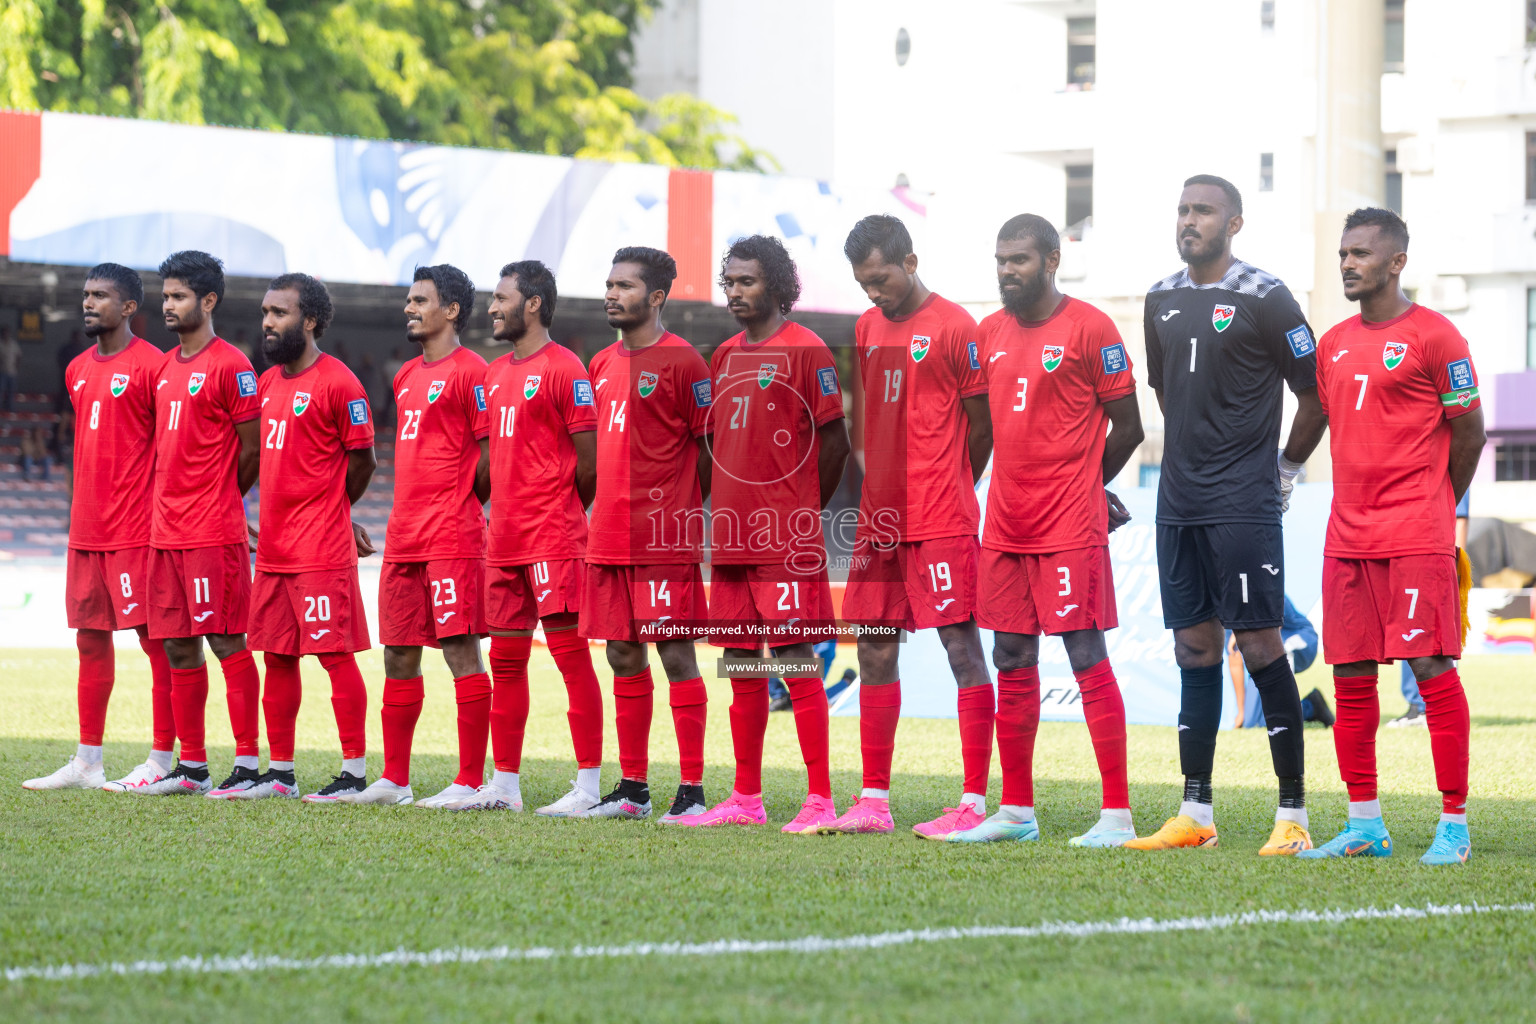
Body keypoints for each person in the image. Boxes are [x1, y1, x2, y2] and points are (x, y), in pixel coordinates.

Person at [1126, 175, 1327, 855]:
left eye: (1203, 211)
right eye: (1182, 209)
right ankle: (1196, 813)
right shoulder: (1159, 297)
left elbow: (1316, 394)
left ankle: (1293, 816)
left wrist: (1285, 470)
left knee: (1261, 643)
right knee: (1194, 649)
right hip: (1177, 500)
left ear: (1234, 223)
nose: (1189, 221)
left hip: (1244, 501)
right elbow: (1162, 388)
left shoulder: (1266, 296)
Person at [948, 214, 1143, 847]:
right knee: (1012, 658)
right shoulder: (988, 333)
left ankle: (1116, 813)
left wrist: (1090, 485)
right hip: (1004, 526)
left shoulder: (1092, 328)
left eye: (1020, 260)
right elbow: (978, 428)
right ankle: (1017, 811)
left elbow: (1130, 428)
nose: (1007, 271)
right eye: (1001, 260)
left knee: (1085, 657)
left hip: (1068, 525)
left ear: (1053, 260)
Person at [1299, 207, 1485, 865]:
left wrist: (1435, 498)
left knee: (1430, 668)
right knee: (1349, 677)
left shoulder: (1437, 337)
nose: (1348, 263)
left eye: (1360, 254)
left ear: (1396, 261)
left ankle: (1454, 825)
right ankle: (1363, 823)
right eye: (1343, 253)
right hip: (1347, 536)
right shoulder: (1334, 342)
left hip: (1416, 533)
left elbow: (1470, 432)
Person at [819, 214, 996, 840]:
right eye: (864, 283)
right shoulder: (867, 327)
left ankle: (973, 801)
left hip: (940, 518)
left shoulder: (955, 326)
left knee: (960, 647)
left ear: (910, 261)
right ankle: (873, 801)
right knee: (873, 645)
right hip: (879, 522)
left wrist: (951, 484)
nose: (874, 292)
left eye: (882, 278)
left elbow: (983, 426)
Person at [686, 235, 850, 832]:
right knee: (739, 661)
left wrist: (800, 513)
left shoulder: (807, 350)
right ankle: (746, 798)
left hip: (783, 541)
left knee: (795, 660)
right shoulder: (724, 355)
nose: (734, 292)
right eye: (728, 282)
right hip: (729, 539)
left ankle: (820, 798)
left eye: (746, 281)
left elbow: (836, 444)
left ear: (776, 285)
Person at [22, 263, 177, 793]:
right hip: (84, 532)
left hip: (134, 532)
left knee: (156, 643)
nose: (89, 303)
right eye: (85, 295)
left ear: (130, 307)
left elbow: (171, 453)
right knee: (90, 643)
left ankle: (162, 759)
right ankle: (87, 761)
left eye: (101, 296)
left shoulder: (155, 367)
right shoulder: (77, 369)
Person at [577, 247, 714, 822]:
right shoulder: (600, 364)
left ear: (656, 297)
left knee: (675, 654)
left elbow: (710, 453)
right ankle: (633, 789)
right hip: (606, 536)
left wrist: (677, 510)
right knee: (621, 652)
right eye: (609, 284)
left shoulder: (685, 363)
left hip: (662, 540)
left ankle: (692, 789)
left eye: (625, 286)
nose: (611, 294)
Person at [346, 265, 492, 807]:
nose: (409, 308)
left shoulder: (474, 371)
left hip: (451, 537)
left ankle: (472, 780)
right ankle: (396, 780)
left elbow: (490, 456)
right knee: (399, 655)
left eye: (419, 300)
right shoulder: (406, 376)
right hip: (403, 536)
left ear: (450, 310)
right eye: (408, 300)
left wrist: (457, 503)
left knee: (460, 651)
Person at [466, 260, 604, 815]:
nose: (493, 307)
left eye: (502, 298)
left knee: (571, 659)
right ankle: (504, 786)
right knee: (505, 662)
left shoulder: (565, 367)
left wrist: (560, 515)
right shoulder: (494, 375)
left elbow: (590, 463)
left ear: (533, 304)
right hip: (503, 540)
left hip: (553, 539)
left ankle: (589, 788)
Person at [236, 273, 376, 802]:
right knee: (276, 656)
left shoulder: (339, 382)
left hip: (320, 551)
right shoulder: (267, 384)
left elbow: (364, 461)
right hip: (272, 551)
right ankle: (281, 773)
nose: (268, 323)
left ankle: (355, 772)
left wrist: (336, 509)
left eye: (280, 313)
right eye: (266, 313)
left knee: (335, 656)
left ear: (310, 320)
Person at [138, 251, 264, 797]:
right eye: (165, 296)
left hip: (212, 534)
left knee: (227, 640)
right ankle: (191, 767)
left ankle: (249, 765)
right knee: (177, 646)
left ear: (208, 301)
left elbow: (252, 449)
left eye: (179, 296)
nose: (168, 306)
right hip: (164, 535)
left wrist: (219, 501)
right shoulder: (164, 369)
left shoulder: (232, 364)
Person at [1390, 489, 1471, 727]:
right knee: (1410, 633)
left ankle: (1428, 706)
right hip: (1412, 555)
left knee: (1429, 638)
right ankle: (1418, 706)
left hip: (1433, 558)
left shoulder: (1449, 459)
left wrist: (1455, 564)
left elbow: (1460, 517)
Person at [1226, 596, 1331, 729]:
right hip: (1263, 658)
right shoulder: (1224, 609)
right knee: (1253, 723)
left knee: (1279, 654)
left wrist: (1244, 626)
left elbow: (1272, 630)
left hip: (1301, 639)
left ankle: (1286, 711)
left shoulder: (1258, 585)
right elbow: (1234, 660)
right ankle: (1311, 706)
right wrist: (1241, 712)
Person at [0, 325, 20, 412]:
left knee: (11, 392)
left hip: (12, 372)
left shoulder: (13, 344)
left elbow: (19, 355)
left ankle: (10, 409)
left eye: (7, 332)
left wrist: (17, 366)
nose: (6, 334)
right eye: (4, 332)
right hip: (2, 371)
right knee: (1, 390)